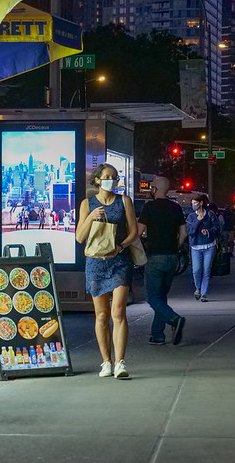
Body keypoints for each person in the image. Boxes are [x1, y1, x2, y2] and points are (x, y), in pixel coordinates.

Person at [75, 162, 138, 379]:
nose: (112, 180)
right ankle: (106, 362)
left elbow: (134, 232)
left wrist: (120, 247)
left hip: (119, 261)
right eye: (108, 176)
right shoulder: (87, 204)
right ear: (98, 180)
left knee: (118, 311)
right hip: (95, 263)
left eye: (115, 176)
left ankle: (120, 362)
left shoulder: (124, 201)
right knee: (101, 315)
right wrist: (92, 216)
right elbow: (79, 237)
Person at [138, 176, 188, 345]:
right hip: (172, 258)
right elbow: (184, 233)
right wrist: (177, 246)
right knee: (162, 296)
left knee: (152, 298)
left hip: (155, 257)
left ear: (155, 189)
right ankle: (158, 335)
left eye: (151, 187)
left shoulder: (149, 207)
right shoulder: (176, 208)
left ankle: (174, 319)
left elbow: (139, 231)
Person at [186, 194, 220, 302]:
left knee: (206, 270)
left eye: (195, 203)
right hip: (195, 247)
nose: (194, 206)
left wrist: (208, 232)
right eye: (192, 204)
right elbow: (190, 232)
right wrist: (198, 220)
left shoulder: (210, 214)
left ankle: (204, 293)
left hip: (209, 246)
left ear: (201, 203)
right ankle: (198, 287)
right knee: (196, 270)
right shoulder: (191, 217)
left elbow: (218, 228)